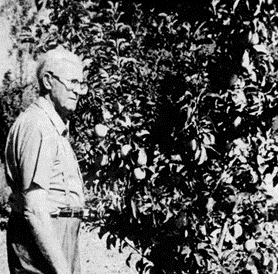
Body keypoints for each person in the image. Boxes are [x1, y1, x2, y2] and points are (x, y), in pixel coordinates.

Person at [4, 46, 88, 274]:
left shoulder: (52, 126)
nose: (79, 91)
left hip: (59, 235)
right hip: (44, 239)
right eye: (72, 82)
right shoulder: (38, 126)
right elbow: (36, 208)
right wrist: (62, 268)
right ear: (49, 81)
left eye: (81, 84)